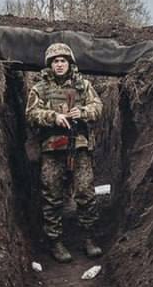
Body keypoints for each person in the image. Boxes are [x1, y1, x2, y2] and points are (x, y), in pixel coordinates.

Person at [26, 42, 104, 263]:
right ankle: (55, 241)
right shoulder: (40, 88)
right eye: (55, 61)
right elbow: (31, 113)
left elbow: (98, 107)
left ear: (69, 63)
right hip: (52, 149)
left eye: (63, 61)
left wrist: (83, 112)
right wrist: (53, 117)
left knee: (85, 192)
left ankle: (89, 238)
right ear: (50, 65)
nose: (59, 65)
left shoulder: (83, 86)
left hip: (79, 146)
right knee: (52, 195)